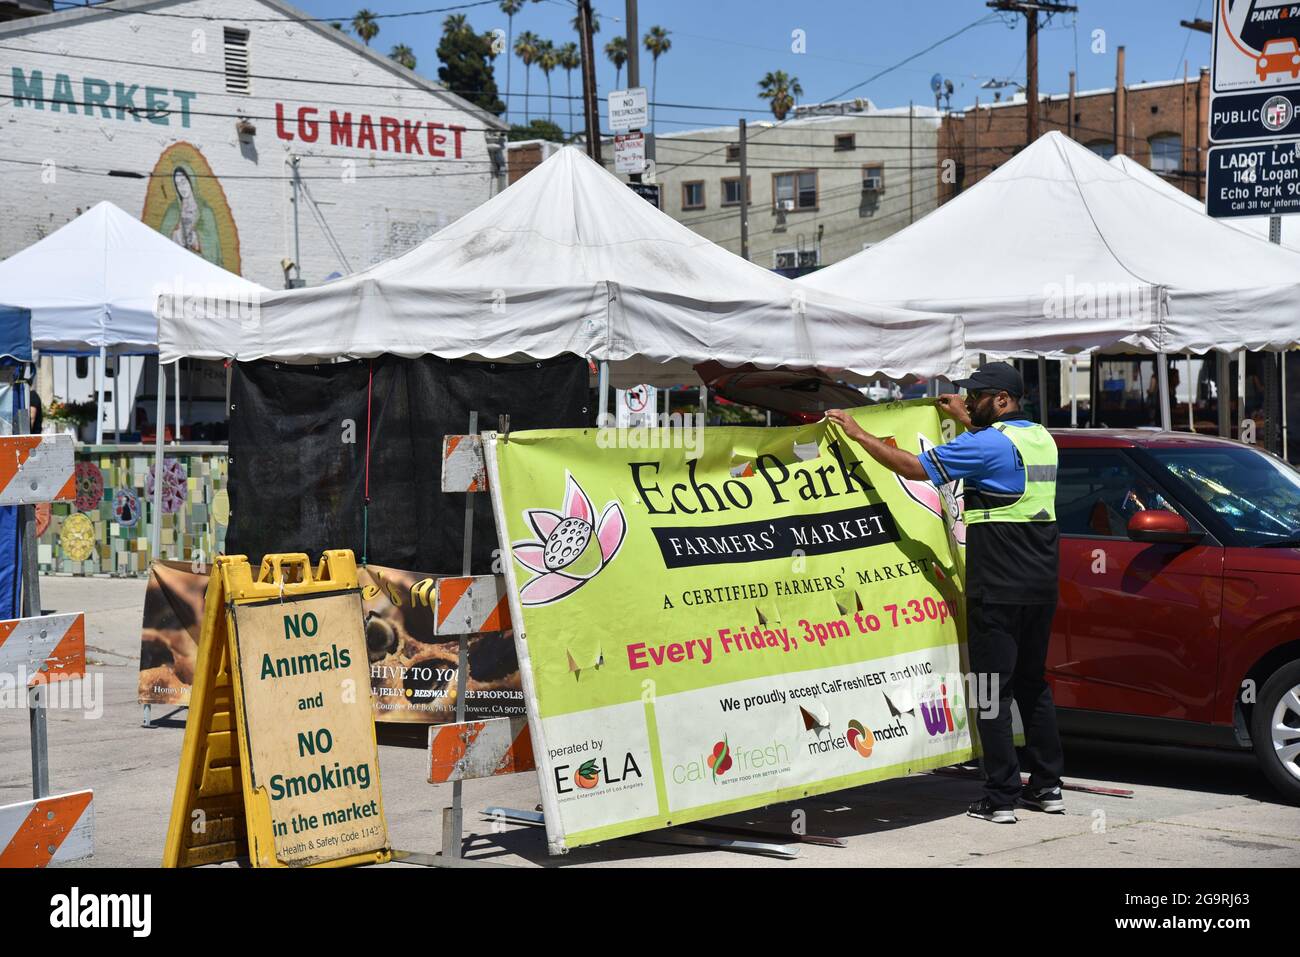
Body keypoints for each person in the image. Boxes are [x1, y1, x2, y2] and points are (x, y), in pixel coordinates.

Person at [825, 361, 1065, 824]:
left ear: (1000, 400)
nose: (966, 401)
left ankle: (1000, 799)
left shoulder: (984, 442)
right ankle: (1048, 786)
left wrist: (858, 433)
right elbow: (1000, 458)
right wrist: (966, 417)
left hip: (998, 583)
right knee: (1033, 686)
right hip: (1041, 582)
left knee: (992, 691)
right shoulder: (1040, 438)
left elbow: (913, 466)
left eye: (975, 396)